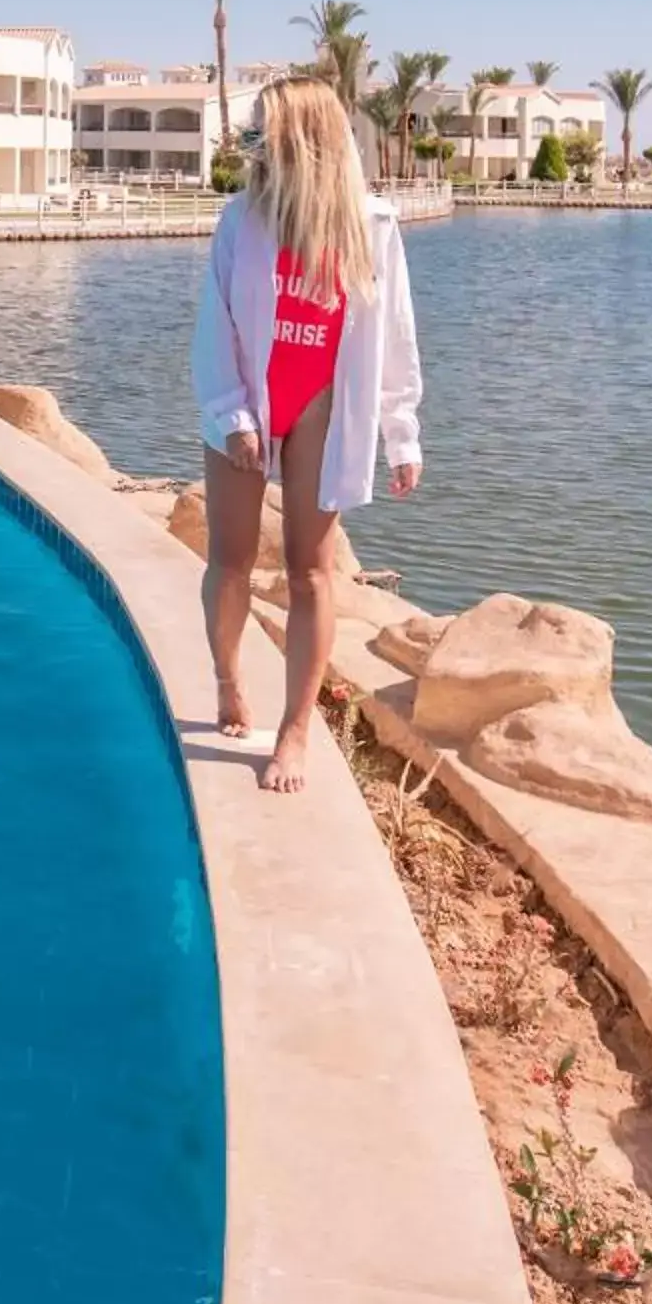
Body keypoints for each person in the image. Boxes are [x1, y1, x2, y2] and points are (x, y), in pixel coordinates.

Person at [188, 77, 425, 795]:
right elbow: (215, 328)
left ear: (304, 138)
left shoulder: (372, 225)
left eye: (265, 131)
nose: (253, 144)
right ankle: (228, 679)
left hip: (323, 404)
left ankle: (295, 729)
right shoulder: (241, 219)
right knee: (229, 563)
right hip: (248, 398)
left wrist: (401, 433)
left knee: (311, 572)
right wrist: (233, 415)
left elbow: (394, 337)